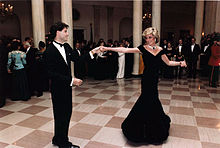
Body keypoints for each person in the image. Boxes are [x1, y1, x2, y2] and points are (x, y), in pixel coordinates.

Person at [101, 27, 186, 145]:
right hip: (146, 79)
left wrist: (180, 63)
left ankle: (154, 127)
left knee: (153, 100)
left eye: (150, 37)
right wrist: (107, 48)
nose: (147, 40)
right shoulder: (142, 48)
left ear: (155, 38)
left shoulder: (161, 50)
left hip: (155, 79)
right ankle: (140, 128)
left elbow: (168, 62)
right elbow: (125, 50)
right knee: (146, 99)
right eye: (146, 37)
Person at [43, 21, 100, 148]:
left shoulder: (67, 47)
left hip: (66, 88)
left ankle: (58, 138)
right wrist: (71, 80)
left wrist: (93, 52)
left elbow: (78, 60)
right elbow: (50, 73)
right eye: (65, 31)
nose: (68, 34)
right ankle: (63, 143)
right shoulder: (49, 51)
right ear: (57, 32)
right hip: (58, 89)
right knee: (61, 114)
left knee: (66, 113)